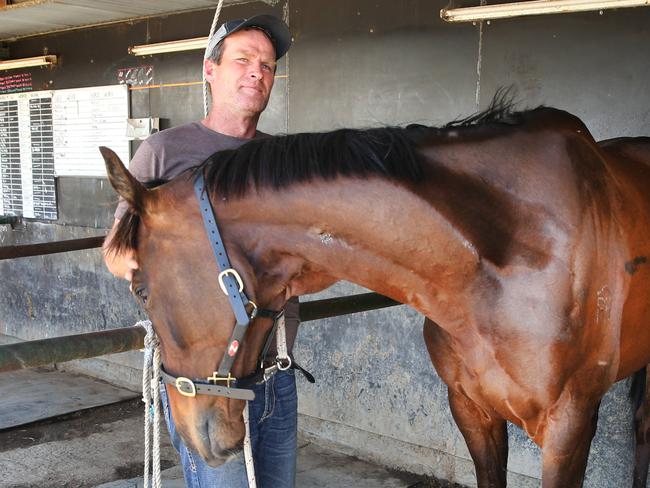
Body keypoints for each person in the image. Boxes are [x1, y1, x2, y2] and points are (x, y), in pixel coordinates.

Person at [103, 14, 300, 488]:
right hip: (205, 380)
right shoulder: (163, 152)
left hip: (276, 370)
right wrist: (127, 261)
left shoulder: (285, 159)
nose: (258, 72)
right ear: (209, 70)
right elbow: (116, 250)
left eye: (268, 66)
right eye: (244, 60)